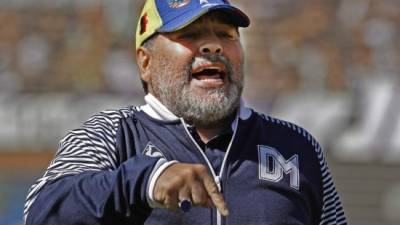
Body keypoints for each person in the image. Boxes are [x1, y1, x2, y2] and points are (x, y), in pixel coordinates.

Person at [24, 0, 347, 224]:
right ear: (145, 62)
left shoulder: (296, 145)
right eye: (189, 35)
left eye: (226, 35)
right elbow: (43, 211)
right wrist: (144, 182)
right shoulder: (111, 133)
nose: (213, 47)